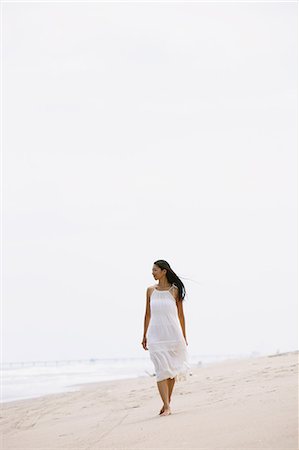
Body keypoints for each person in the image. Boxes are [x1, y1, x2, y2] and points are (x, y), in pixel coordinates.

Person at [141, 259, 190, 417]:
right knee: (161, 370)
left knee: (171, 370)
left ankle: (166, 402)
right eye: (152, 270)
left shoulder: (174, 291)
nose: (152, 272)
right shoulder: (150, 291)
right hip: (155, 336)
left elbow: (181, 315)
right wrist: (144, 335)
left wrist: (184, 336)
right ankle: (167, 406)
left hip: (173, 335)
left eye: (155, 270)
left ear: (164, 271)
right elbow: (147, 314)